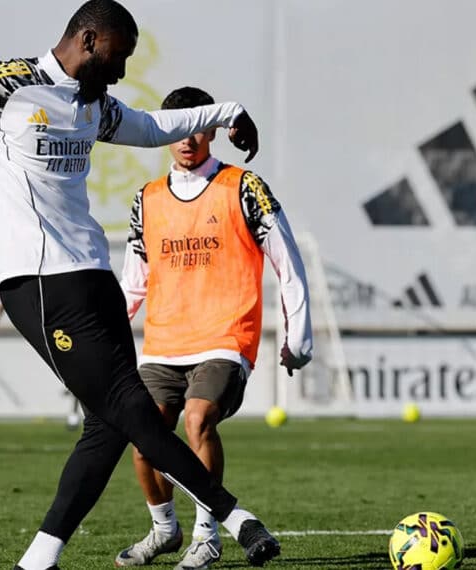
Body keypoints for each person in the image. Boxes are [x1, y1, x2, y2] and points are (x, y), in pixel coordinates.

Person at [0, 2, 281, 567]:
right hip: (40, 284)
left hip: (94, 278)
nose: (122, 72)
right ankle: (235, 517)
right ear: (90, 39)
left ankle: (39, 560)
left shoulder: (94, 106)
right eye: (119, 57)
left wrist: (225, 112)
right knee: (132, 407)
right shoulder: (3, 85)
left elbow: (152, 128)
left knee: (107, 424)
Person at [115, 87, 313, 570]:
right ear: (166, 132)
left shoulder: (244, 187)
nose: (189, 138)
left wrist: (298, 337)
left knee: (197, 419)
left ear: (213, 130)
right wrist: (103, 340)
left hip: (225, 339)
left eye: (198, 126)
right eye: (179, 128)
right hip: (163, 343)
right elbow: (132, 282)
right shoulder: (147, 199)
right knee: (144, 439)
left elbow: (287, 261)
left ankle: (207, 535)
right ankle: (164, 529)